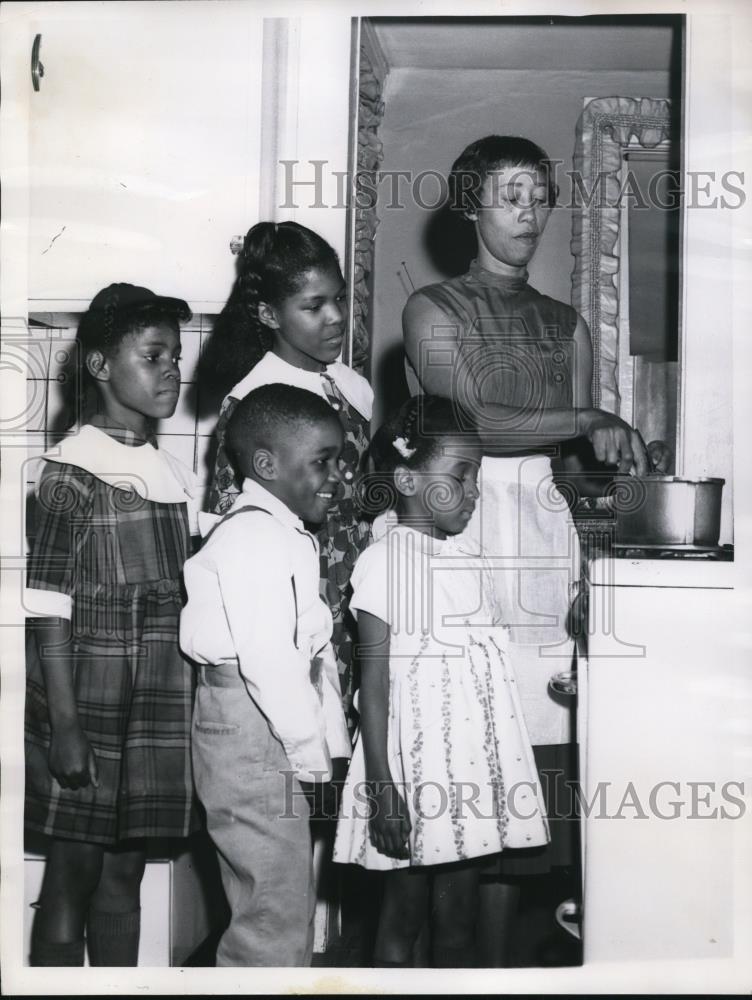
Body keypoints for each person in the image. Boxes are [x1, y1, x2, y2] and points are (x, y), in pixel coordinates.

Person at [402, 135, 650, 964]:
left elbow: (579, 470)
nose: (528, 212)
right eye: (510, 194)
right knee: (463, 771)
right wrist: (589, 420)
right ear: (470, 204)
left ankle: (499, 975)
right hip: (460, 533)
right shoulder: (432, 308)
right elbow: (471, 421)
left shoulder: (566, 325)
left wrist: (599, 570)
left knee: (533, 781)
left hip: (546, 542)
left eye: (539, 196)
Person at [333, 396, 549, 969]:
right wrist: (381, 786)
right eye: (460, 476)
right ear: (405, 478)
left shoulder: (470, 559)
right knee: (402, 916)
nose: (474, 492)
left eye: (475, 478)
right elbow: (372, 686)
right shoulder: (384, 563)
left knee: (458, 923)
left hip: (469, 773)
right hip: (411, 773)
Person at [24, 283, 199, 966]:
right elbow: (47, 605)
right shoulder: (69, 471)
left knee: (126, 870)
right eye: (153, 356)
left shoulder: (172, 474)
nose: (170, 372)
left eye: (176, 357)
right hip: (88, 698)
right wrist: (63, 725)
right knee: (74, 869)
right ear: (99, 365)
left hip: (157, 694)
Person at [179, 384, 352, 967]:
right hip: (253, 730)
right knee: (272, 915)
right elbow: (272, 664)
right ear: (266, 465)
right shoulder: (254, 537)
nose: (337, 477)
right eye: (322, 462)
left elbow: (304, 661)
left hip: (261, 725)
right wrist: (309, 755)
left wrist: (325, 745)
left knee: (281, 901)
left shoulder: (281, 532)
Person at [199, 221, 373, 729]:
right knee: (305, 733)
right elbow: (225, 522)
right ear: (268, 314)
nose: (336, 317)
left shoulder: (353, 386)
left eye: (339, 298)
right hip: (297, 597)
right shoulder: (256, 399)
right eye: (314, 305)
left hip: (361, 587)